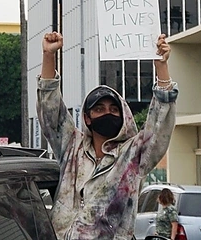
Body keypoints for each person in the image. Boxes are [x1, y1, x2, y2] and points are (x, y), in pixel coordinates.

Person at [37, 31, 178, 240]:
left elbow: (159, 129)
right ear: (87, 118)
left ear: (124, 117)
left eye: (114, 109)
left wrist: (161, 68)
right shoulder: (72, 147)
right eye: (99, 109)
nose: (107, 113)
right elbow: (51, 114)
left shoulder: (133, 156)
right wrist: (48, 56)